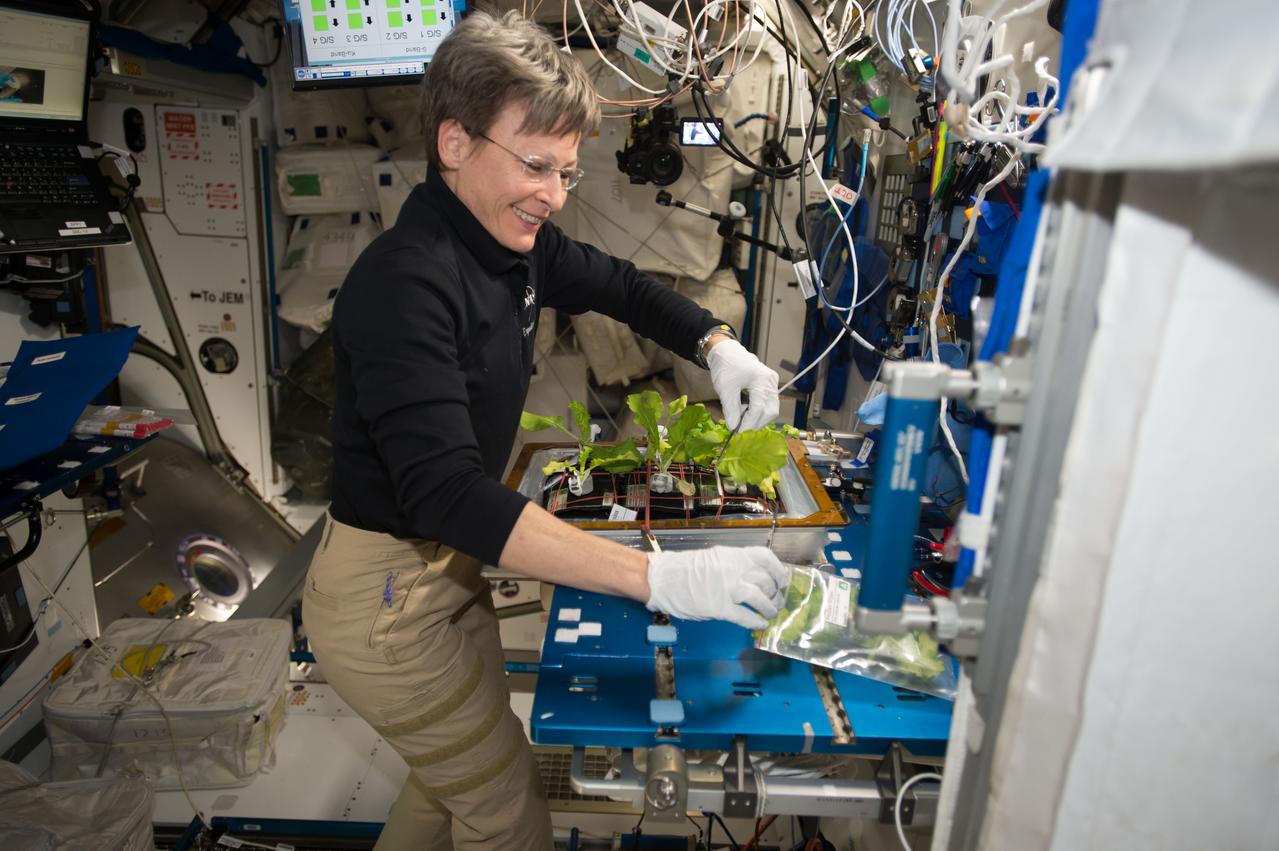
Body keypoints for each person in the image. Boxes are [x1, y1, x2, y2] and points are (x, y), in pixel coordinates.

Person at [303, 11, 786, 851]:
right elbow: (448, 493)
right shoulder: (404, 284)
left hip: (444, 571)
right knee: (505, 811)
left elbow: (622, 285)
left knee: (446, 778)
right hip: (385, 599)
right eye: (535, 166)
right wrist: (657, 578)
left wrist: (717, 346)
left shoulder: (509, 241)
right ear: (454, 141)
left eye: (566, 172)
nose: (554, 195)